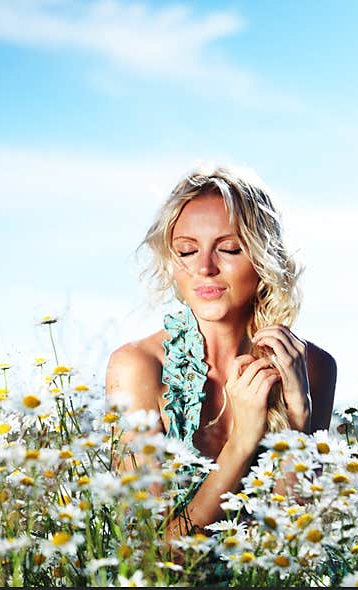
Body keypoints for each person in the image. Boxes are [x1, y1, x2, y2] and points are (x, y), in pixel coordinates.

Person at [106, 163, 337, 546]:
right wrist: (243, 441)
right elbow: (150, 554)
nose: (205, 268)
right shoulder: (138, 368)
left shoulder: (312, 366)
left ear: (264, 257)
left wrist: (298, 418)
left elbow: (296, 545)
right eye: (187, 250)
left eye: (229, 248)